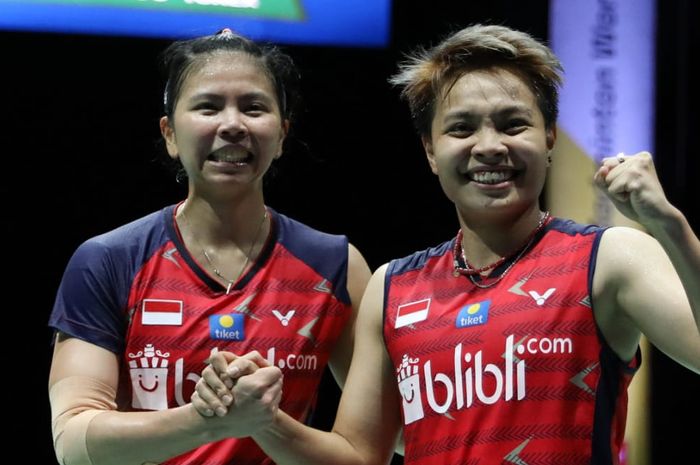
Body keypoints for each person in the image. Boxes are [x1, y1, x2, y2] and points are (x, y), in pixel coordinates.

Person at [194, 24, 700, 464]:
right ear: (431, 151)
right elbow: (358, 456)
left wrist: (670, 225)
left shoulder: (607, 259)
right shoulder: (392, 287)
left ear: (549, 137)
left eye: (513, 124)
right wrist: (263, 421)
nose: (489, 146)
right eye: (461, 128)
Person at [47, 28, 371, 465]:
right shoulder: (108, 260)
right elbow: (74, 441)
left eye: (254, 107)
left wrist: (264, 421)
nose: (233, 124)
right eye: (208, 106)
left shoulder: (335, 266)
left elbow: (369, 453)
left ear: (281, 136)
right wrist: (209, 421)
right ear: (170, 134)